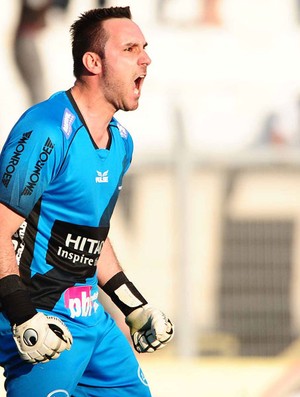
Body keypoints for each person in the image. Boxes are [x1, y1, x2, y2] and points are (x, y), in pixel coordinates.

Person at [0, 6, 174, 397]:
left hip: (89, 316)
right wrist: (23, 316)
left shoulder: (121, 143)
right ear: (92, 61)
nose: (145, 58)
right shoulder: (47, 130)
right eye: (130, 48)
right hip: (40, 318)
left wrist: (133, 305)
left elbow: (91, 234)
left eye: (144, 47)